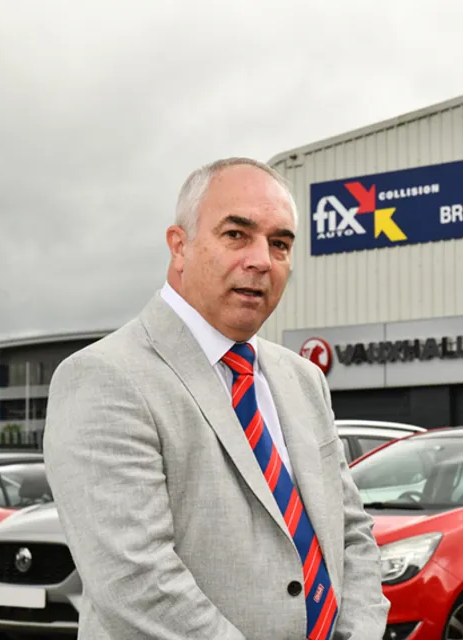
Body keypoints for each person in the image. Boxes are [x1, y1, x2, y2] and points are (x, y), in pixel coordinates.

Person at [43, 158, 390, 639]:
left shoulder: (304, 380)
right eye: (236, 235)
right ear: (179, 246)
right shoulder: (103, 378)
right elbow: (135, 583)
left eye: (280, 244)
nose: (262, 260)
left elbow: (351, 535)